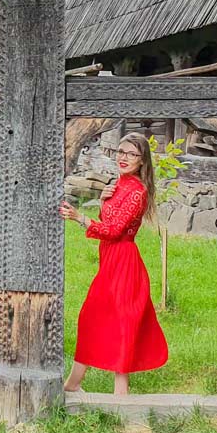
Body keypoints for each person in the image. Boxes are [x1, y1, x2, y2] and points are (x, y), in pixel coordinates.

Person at [59, 132, 168, 395]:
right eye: (121, 151)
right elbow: (109, 220)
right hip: (110, 261)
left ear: (142, 161)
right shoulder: (118, 185)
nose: (124, 158)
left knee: (119, 323)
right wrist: (106, 199)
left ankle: (119, 395)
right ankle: (74, 384)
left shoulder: (137, 192)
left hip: (124, 263)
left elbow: (114, 231)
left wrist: (78, 218)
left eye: (132, 154)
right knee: (94, 319)